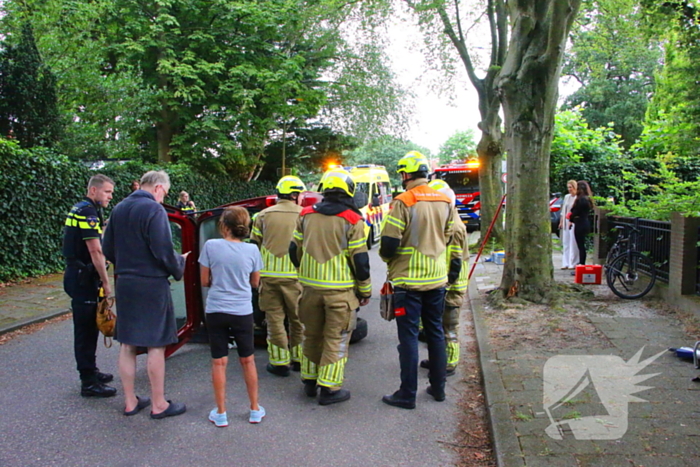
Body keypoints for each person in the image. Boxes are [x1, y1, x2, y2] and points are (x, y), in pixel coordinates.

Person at [103, 170, 188, 418]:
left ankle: (130, 401)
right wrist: (179, 263)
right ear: (159, 188)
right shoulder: (154, 210)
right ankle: (159, 404)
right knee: (156, 344)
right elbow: (163, 250)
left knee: (128, 343)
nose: (163, 199)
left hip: (126, 282)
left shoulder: (118, 208)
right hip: (151, 284)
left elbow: (107, 248)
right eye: (165, 194)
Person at [380, 151, 457, 410]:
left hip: (408, 283)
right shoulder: (445, 199)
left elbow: (389, 243)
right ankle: (438, 389)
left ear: (406, 174)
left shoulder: (404, 200)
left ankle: (407, 394)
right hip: (437, 280)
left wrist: (388, 260)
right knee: (435, 332)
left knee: (409, 337)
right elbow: (450, 235)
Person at [289, 169, 371, 405]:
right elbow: (361, 261)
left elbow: (294, 250)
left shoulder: (305, 214)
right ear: (349, 192)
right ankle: (329, 389)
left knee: (312, 334)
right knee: (336, 338)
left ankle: (309, 380)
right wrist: (364, 290)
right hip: (340, 293)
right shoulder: (353, 220)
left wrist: (304, 271)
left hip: (310, 290)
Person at [200, 207, 265, 427]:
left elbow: (204, 281)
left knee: (219, 362)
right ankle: (255, 409)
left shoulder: (211, 246)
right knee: (247, 360)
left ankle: (221, 413)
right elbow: (255, 283)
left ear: (224, 226)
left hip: (216, 309)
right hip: (242, 311)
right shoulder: (252, 250)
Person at [62, 174, 117, 398]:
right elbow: (95, 250)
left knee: (91, 326)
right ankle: (88, 382)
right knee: (85, 330)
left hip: (76, 274)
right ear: (93, 191)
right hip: (83, 277)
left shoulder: (80, 208)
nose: (110, 197)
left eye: (111, 193)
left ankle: (92, 371)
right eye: (107, 192)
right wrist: (106, 281)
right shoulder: (88, 212)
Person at [250, 176, 306, 377]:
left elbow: (253, 246)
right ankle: (300, 359)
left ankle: (279, 362)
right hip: (296, 278)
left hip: (269, 278)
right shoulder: (305, 215)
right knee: (298, 320)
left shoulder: (261, 216)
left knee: (274, 319)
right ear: (294, 194)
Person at [419, 179, 468, 377]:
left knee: (449, 326)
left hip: (452, 286)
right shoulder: (448, 220)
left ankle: (449, 363)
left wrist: (447, 284)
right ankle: (438, 359)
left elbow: (455, 261)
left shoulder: (455, 227)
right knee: (438, 325)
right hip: (447, 283)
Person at [569, 180, 594, 271]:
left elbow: (575, 212)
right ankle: (581, 264)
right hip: (585, 222)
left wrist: (571, 216)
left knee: (581, 246)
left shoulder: (581, 199)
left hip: (580, 223)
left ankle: (581, 265)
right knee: (581, 246)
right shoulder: (587, 199)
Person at [559, 180, 579, 269]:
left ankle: (573, 262)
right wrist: (561, 221)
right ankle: (565, 262)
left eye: (571, 187)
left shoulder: (577, 198)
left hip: (573, 221)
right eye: (568, 187)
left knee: (573, 242)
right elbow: (563, 210)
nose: (569, 189)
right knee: (566, 241)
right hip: (566, 220)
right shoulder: (567, 197)